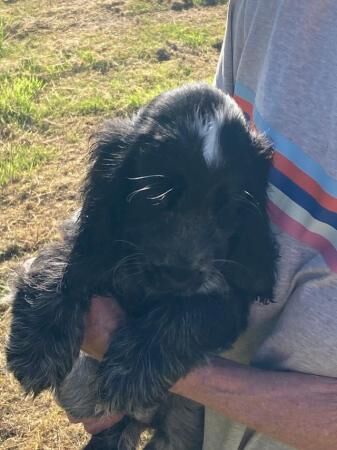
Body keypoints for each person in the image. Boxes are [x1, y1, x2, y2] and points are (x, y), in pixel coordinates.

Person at [69, 1, 337, 449]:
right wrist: (73, 283)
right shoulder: (268, 8)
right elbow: (206, 160)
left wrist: (155, 361)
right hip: (201, 422)